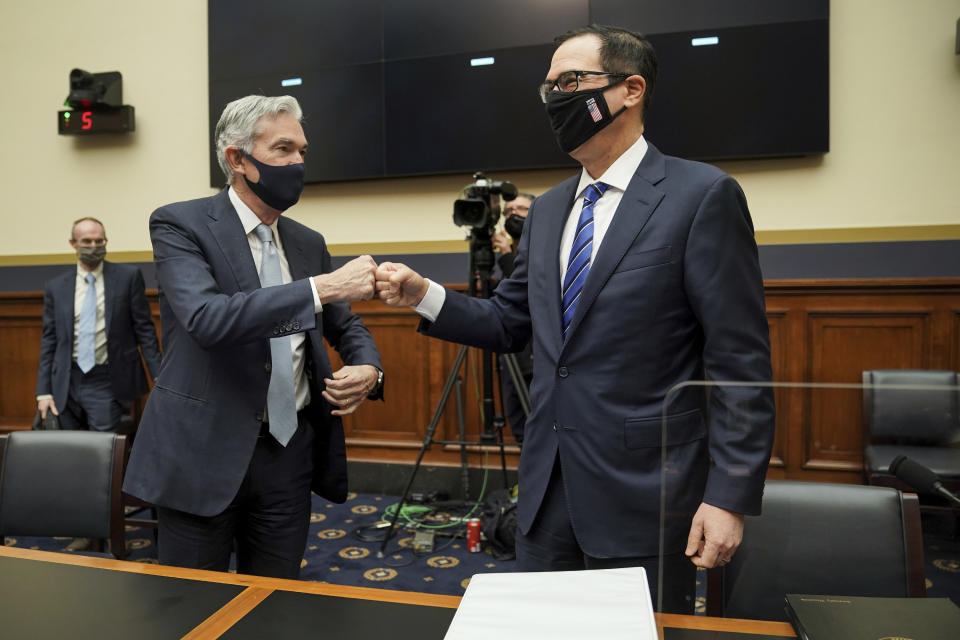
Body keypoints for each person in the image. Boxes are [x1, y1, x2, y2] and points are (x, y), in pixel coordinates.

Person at [376, 25, 775, 612]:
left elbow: (740, 358)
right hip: (545, 493)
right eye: (548, 87)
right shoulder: (550, 210)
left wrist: (730, 496)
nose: (556, 98)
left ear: (630, 88)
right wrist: (423, 295)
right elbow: (509, 322)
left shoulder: (701, 196)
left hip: (647, 493)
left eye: (570, 81)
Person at [123, 95, 384, 579]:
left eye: (303, 150)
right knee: (193, 607)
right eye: (283, 149)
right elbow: (208, 319)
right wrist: (321, 288)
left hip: (289, 452)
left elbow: (345, 324)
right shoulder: (181, 224)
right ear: (237, 159)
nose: (298, 163)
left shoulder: (308, 242)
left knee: (276, 601)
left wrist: (369, 366)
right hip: (202, 452)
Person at [36, 217, 161, 432]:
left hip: (107, 377)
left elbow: (144, 329)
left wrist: (159, 375)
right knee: (67, 448)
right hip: (65, 381)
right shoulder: (56, 287)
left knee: (103, 448)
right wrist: (43, 392)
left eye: (99, 241)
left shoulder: (128, 277)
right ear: (73, 243)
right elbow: (50, 340)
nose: (94, 247)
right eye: (87, 242)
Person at [492, 193, 536, 443]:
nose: (513, 215)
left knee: (536, 423)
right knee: (518, 424)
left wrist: (507, 255)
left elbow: (528, 290)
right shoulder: (507, 253)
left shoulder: (544, 245)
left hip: (536, 355)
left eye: (521, 209)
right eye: (508, 211)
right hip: (512, 355)